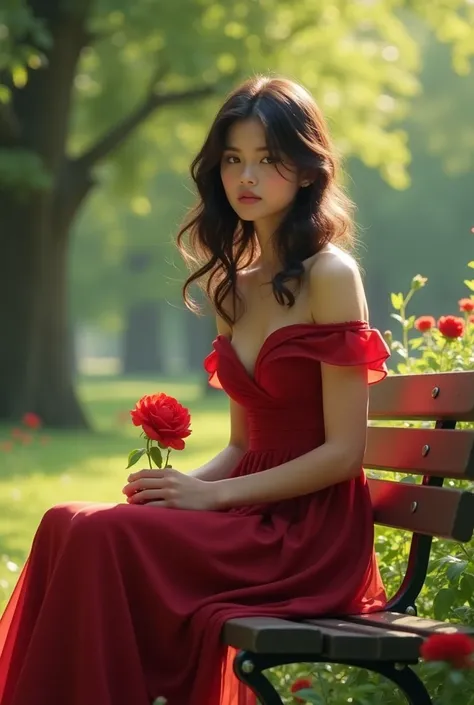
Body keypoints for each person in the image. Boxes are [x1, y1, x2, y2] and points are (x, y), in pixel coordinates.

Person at [0, 75, 390, 705]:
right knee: (66, 522)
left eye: (268, 159)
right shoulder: (232, 285)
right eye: (234, 159)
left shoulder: (331, 274)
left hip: (307, 536)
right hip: (247, 513)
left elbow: (345, 453)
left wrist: (209, 501)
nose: (247, 176)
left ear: (307, 168)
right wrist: (180, 492)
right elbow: (241, 444)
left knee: (100, 536)